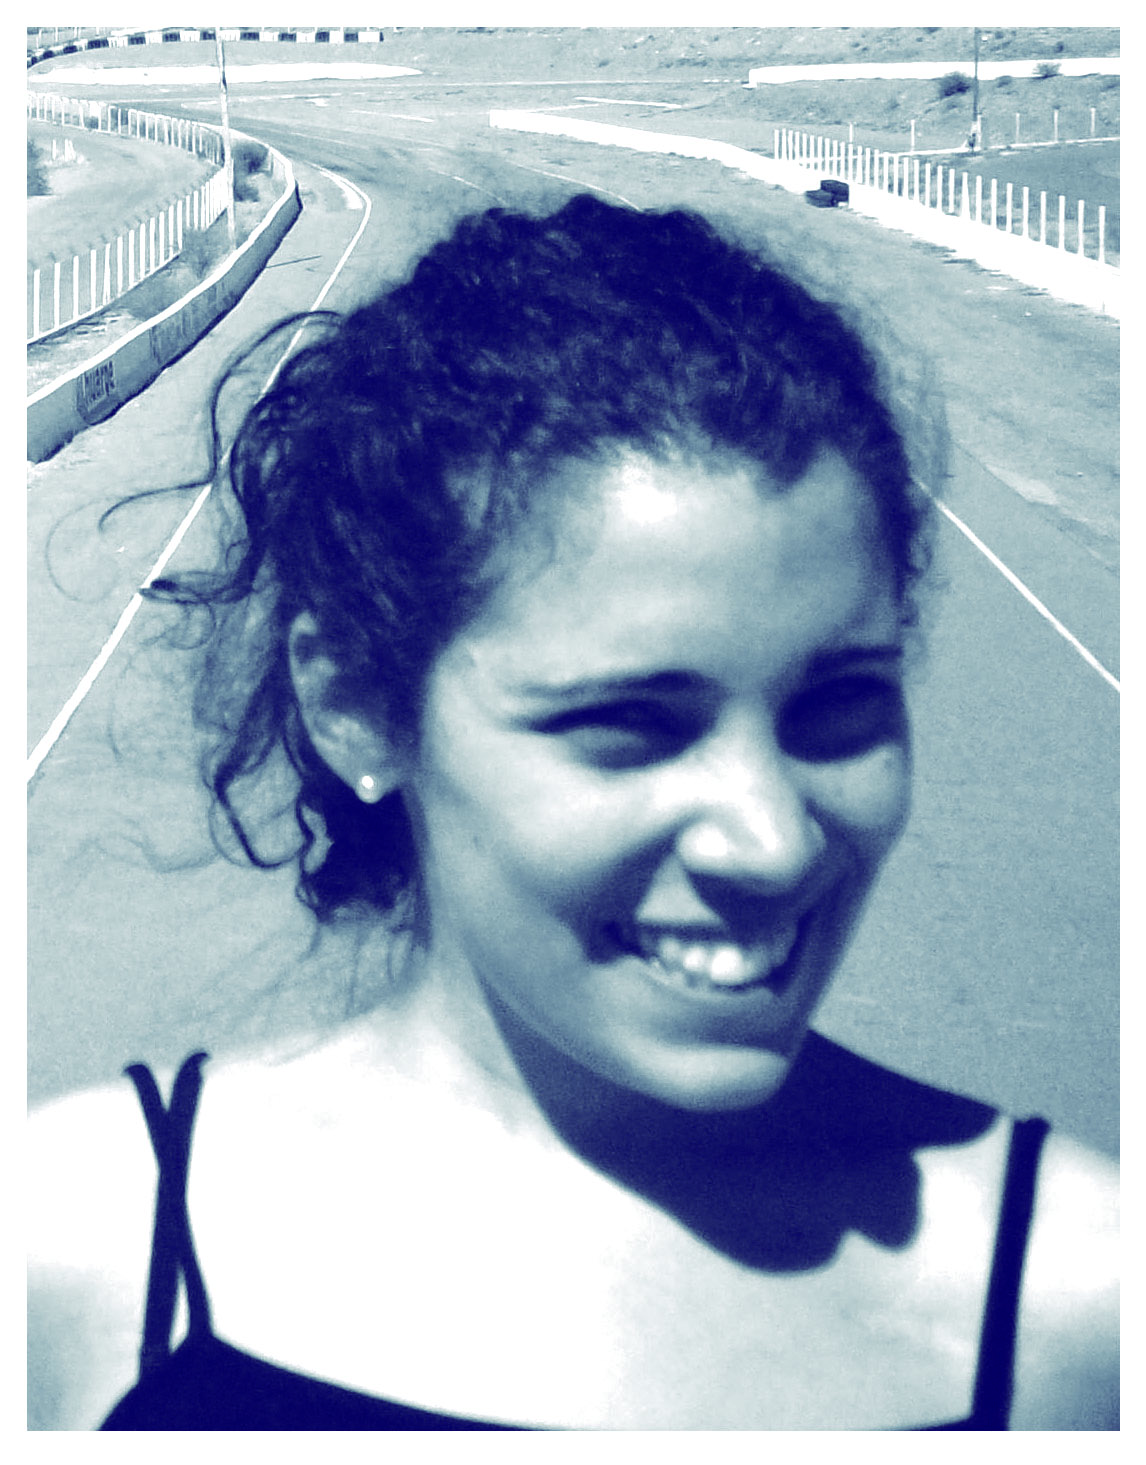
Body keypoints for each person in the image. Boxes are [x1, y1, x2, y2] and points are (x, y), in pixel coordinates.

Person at [28, 195, 1117, 1431]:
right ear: (358, 708)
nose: (774, 841)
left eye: (841, 704)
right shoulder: (82, 1248)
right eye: (632, 724)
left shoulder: (1085, 1309)